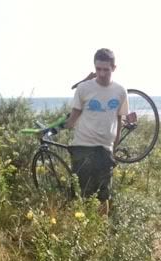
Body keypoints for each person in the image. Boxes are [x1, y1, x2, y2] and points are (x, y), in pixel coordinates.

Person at [63, 48, 129, 215]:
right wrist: (63, 126)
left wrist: (114, 147)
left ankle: (101, 233)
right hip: (82, 147)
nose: (101, 73)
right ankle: (82, 232)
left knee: (103, 195)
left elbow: (119, 120)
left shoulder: (120, 91)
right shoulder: (84, 89)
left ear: (114, 68)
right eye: (98, 69)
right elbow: (74, 115)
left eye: (106, 69)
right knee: (81, 194)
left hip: (104, 149)